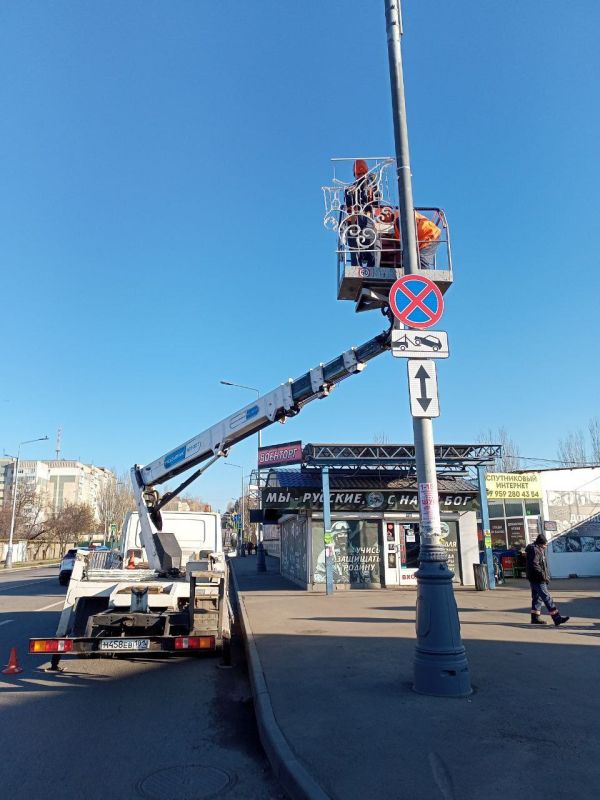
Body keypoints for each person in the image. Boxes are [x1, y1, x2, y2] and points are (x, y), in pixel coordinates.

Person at [525, 533, 570, 625]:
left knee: (537, 598)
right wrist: (543, 576)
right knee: (547, 598)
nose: (546, 546)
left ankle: (535, 618)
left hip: (533, 578)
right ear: (541, 543)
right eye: (545, 544)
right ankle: (557, 618)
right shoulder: (536, 550)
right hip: (538, 579)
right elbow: (535, 565)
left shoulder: (536, 549)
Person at [343, 159, 381, 268]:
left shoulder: (372, 187)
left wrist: (369, 186)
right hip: (355, 221)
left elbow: (376, 202)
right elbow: (348, 204)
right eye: (359, 173)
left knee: (374, 241)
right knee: (353, 238)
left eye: (362, 173)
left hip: (368, 219)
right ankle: (356, 266)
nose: (360, 175)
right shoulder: (350, 190)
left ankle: (373, 267)